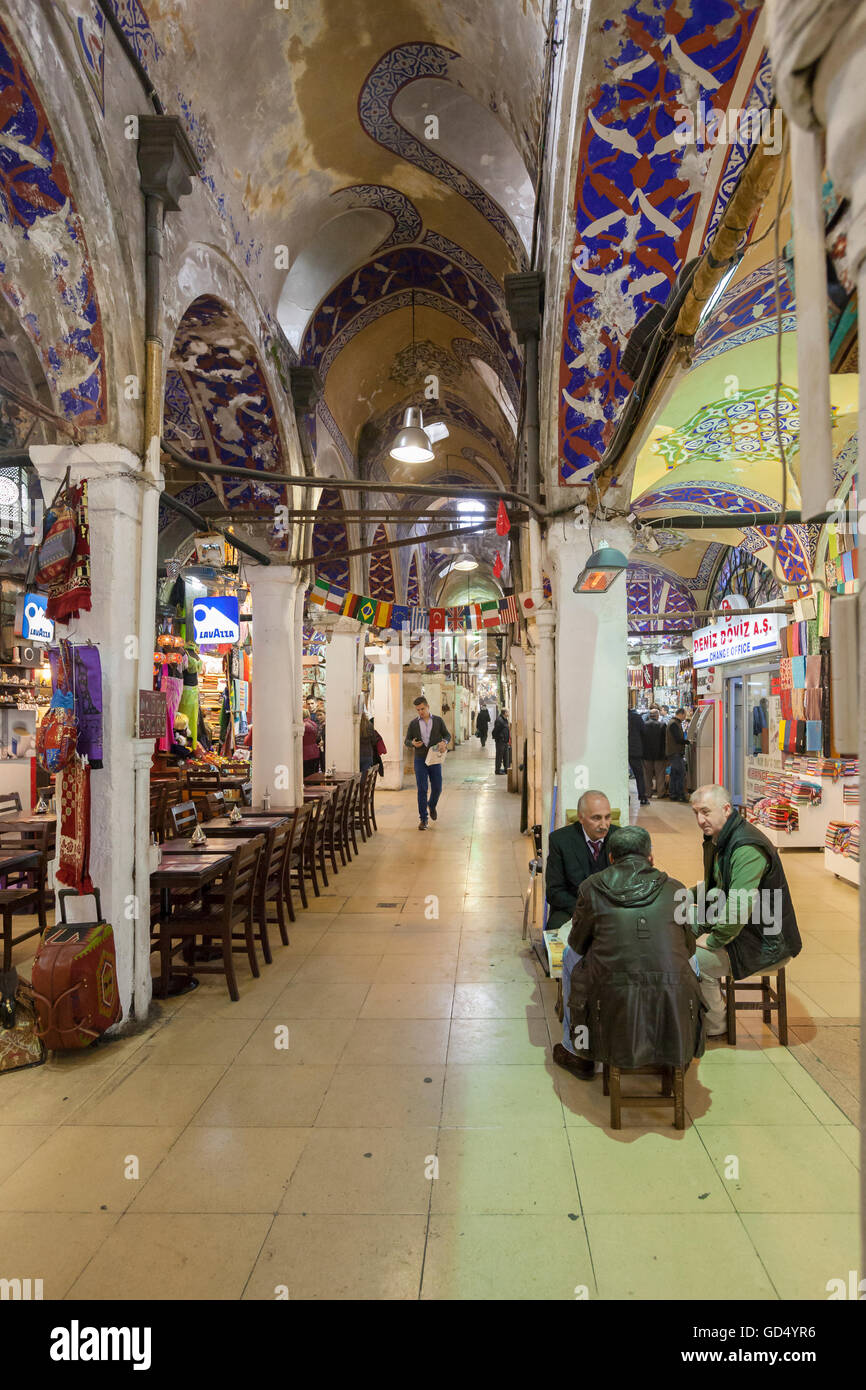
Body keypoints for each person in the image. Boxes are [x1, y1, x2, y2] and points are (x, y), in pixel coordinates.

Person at [553, 825, 705, 1079]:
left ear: (611, 858)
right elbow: (688, 946)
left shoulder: (591, 888)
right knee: (691, 959)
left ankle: (577, 1051)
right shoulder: (676, 889)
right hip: (671, 991)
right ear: (650, 857)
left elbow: (578, 944)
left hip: (610, 992)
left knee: (569, 957)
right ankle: (681, 1041)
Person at [687, 785, 802, 1038]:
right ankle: (707, 1004)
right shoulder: (722, 838)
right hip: (746, 928)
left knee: (692, 961)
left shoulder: (746, 846)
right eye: (696, 812)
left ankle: (716, 1023)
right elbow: (719, 884)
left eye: (705, 812)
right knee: (677, 927)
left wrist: (715, 939)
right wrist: (685, 896)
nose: (700, 820)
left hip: (766, 941)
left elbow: (738, 908)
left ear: (726, 809)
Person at [404, 695, 450, 830]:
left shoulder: (438, 721)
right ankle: (423, 819)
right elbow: (407, 740)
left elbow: (447, 735)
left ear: (428, 706)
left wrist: (444, 742)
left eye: (422, 709)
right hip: (419, 759)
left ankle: (432, 805)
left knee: (437, 787)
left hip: (434, 759)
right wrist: (412, 743)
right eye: (418, 710)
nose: (420, 712)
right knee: (422, 789)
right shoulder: (413, 724)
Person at [642, 706, 667, 798]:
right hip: (659, 754)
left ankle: (648, 793)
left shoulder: (644, 725)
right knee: (660, 775)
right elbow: (665, 741)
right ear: (657, 715)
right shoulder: (662, 725)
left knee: (647, 775)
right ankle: (660, 793)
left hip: (646, 754)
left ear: (649, 716)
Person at [627, 706, 650, 805]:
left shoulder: (616, 717)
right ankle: (643, 797)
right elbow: (644, 732)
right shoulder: (636, 717)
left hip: (620, 750)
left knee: (620, 775)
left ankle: (624, 796)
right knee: (639, 775)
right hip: (635, 749)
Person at [666, 707, 688, 801]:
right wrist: (687, 742)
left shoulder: (674, 722)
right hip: (675, 752)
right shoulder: (674, 724)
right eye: (685, 715)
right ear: (681, 714)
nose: (685, 717)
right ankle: (680, 795)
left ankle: (673, 794)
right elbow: (677, 739)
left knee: (674, 774)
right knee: (680, 773)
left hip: (673, 752)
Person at [302, 712, 321, 780]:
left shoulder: (303, 725)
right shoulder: (313, 723)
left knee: (307, 776)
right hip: (315, 751)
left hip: (305, 753)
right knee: (314, 774)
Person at [491, 709, 510, 774]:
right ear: (504, 713)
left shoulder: (505, 720)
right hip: (500, 742)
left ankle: (506, 769)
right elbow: (496, 731)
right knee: (499, 756)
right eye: (508, 712)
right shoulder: (499, 720)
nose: (509, 713)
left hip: (505, 741)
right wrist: (500, 738)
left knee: (506, 756)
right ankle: (497, 770)